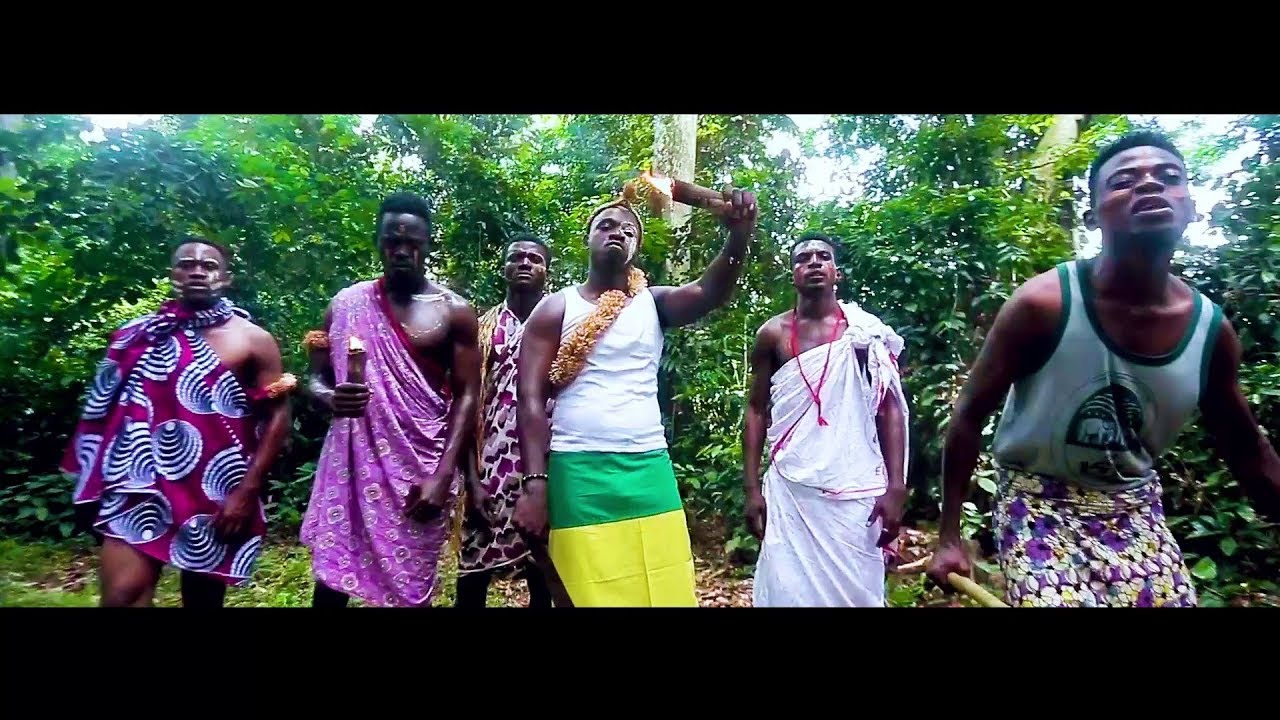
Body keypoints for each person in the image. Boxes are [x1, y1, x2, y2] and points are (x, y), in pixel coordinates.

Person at [927, 131, 1280, 607]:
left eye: (1169, 177)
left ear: (1191, 206)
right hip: (1037, 499)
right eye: (1124, 180)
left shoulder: (1210, 333)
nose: (1150, 185)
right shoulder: (1043, 305)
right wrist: (949, 537)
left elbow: (1247, 448)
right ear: (1092, 216)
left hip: (1134, 505)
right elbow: (969, 415)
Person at [511, 188, 758, 607]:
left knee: (664, 586)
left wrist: (738, 237)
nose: (618, 233)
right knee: (587, 591)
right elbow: (529, 399)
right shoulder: (555, 308)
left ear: (637, 248)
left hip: (648, 467)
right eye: (606, 225)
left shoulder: (653, 302)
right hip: (579, 471)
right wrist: (535, 484)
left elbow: (708, 293)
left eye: (629, 231)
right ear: (588, 238)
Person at [61, 238, 293, 607]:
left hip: (216, 485)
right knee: (122, 595)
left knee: (202, 601)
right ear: (173, 274)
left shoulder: (253, 340)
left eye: (209, 266)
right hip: (139, 481)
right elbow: (106, 412)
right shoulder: (140, 336)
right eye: (187, 264)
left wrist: (247, 490)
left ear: (226, 278)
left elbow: (278, 416)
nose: (197, 271)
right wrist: (98, 477)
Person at [300, 191, 481, 608]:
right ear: (378, 243)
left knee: (411, 586)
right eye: (391, 241)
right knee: (331, 582)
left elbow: (468, 394)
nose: (401, 251)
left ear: (428, 244)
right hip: (351, 466)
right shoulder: (346, 304)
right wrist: (328, 397)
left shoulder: (454, 311)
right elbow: (316, 378)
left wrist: (443, 476)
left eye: (412, 242)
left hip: (419, 469)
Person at [743, 233, 909, 607]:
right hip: (791, 490)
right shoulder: (772, 335)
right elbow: (756, 410)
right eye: (803, 259)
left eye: (823, 256)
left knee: (856, 593)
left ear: (838, 273)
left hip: (854, 490)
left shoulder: (863, 333)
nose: (814, 262)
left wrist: (896, 486)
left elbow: (889, 408)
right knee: (788, 590)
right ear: (792, 274)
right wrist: (751, 489)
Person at [455, 233, 555, 608]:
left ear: (547, 271)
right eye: (516, 257)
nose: (525, 263)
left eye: (535, 258)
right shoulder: (482, 329)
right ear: (504, 268)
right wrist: (471, 481)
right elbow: (465, 406)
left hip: (546, 468)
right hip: (489, 471)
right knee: (472, 575)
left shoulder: (564, 326)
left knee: (544, 576)